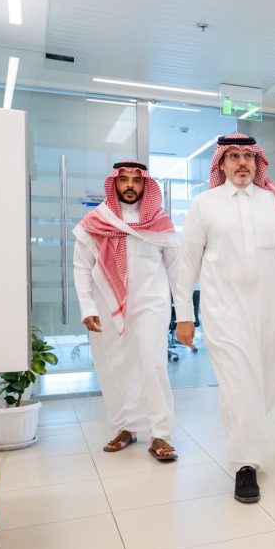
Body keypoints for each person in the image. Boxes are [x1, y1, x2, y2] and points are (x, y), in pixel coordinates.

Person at [174, 133, 275, 503]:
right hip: (224, 311)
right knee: (239, 386)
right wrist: (184, 314)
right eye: (233, 156)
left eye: (248, 156)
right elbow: (187, 262)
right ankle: (245, 465)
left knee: (263, 386)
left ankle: (249, 439)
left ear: (257, 161)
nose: (242, 163)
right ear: (221, 163)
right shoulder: (204, 205)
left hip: (269, 310)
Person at [72, 161, 179, 461]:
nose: (130, 185)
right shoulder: (96, 221)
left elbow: (176, 268)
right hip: (107, 306)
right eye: (123, 179)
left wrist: (185, 313)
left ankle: (160, 433)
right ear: (114, 183)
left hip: (151, 304)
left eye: (136, 180)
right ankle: (125, 428)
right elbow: (81, 268)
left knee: (152, 364)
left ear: (145, 184)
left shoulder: (159, 220)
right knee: (114, 367)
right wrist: (87, 307)